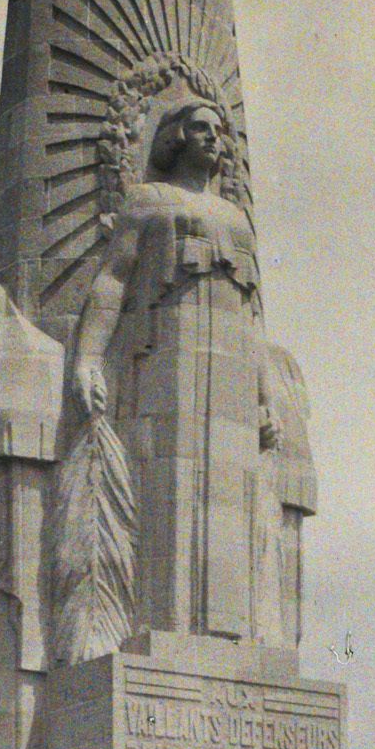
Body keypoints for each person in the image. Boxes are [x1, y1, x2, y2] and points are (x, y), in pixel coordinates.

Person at [68, 95, 285, 643]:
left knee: (229, 495)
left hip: (232, 378)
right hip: (166, 357)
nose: (215, 138)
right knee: (168, 482)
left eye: (221, 130)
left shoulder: (237, 220)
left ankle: (230, 632)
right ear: (175, 138)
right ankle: (162, 624)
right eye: (202, 128)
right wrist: (88, 358)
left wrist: (267, 396)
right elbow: (113, 279)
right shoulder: (147, 201)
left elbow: (252, 314)